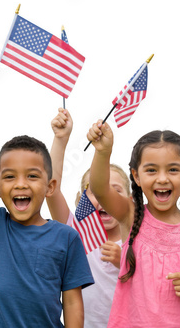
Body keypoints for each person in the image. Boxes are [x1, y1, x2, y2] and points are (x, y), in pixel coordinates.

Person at [0, 92, 94, 327]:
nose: (21, 183)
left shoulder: (67, 237)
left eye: (32, 176)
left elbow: (72, 303)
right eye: (10, 176)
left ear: (50, 186)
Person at [86, 120, 180, 328]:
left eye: (173, 170)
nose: (162, 179)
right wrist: (103, 151)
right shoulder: (130, 215)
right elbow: (99, 187)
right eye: (151, 170)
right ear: (136, 176)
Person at [48, 108, 130, 327]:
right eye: (95, 191)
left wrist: (124, 260)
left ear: (130, 202)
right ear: (81, 198)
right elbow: (51, 190)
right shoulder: (77, 233)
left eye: (116, 191)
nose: (105, 198)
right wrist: (60, 139)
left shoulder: (137, 238)